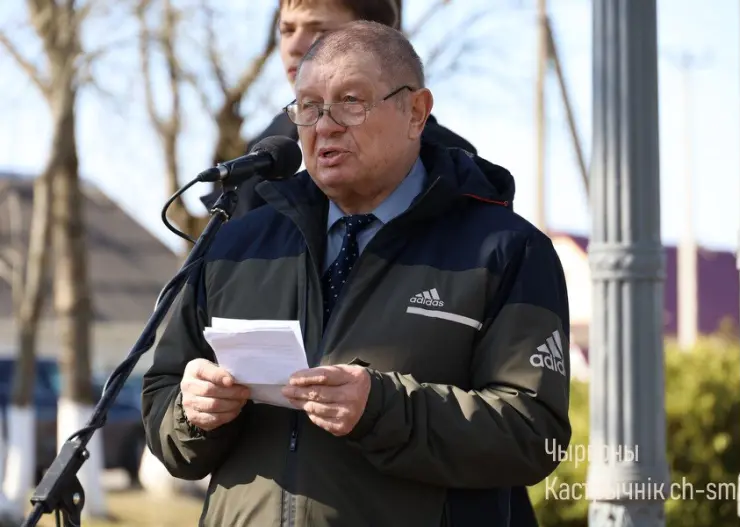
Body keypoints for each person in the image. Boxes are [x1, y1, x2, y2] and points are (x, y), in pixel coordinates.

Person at [142, 21, 571, 527]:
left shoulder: (505, 250)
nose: (324, 125)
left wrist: (383, 409)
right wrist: (194, 412)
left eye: (350, 101)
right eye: (307, 107)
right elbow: (163, 410)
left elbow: (533, 434)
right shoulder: (238, 245)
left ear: (416, 112)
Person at [199, 0, 477, 219]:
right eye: (287, 30)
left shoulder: (450, 165)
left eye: (320, 31)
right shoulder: (257, 154)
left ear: (377, 36)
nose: (295, 46)